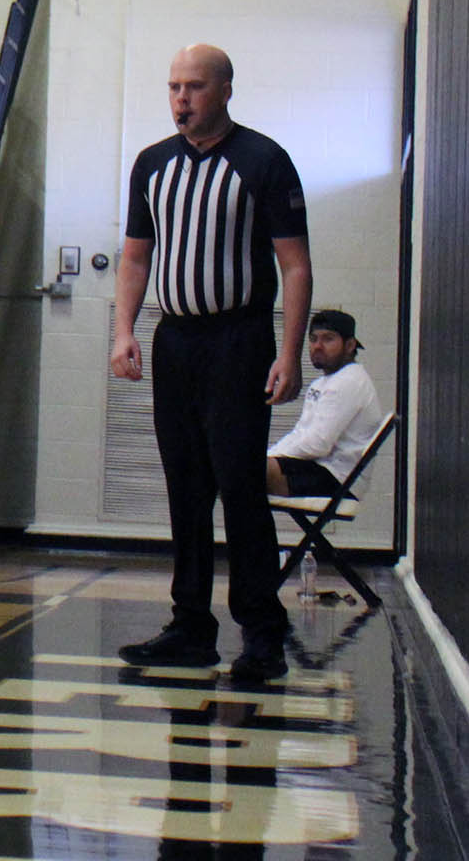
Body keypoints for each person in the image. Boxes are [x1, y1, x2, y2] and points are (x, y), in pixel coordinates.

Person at [111, 43, 312, 684]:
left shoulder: (264, 161)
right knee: (185, 487)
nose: (181, 100)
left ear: (225, 89)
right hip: (177, 341)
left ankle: (261, 632)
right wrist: (123, 332)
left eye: (194, 87)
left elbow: (295, 264)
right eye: (173, 87)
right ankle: (191, 627)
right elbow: (137, 257)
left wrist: (288, 352)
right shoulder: (152, 165)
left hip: (240, 339)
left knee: (240, 487)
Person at [267, 309, 382, 498]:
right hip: (317, 469)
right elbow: (301, 433)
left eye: (328, 339)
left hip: (338, 481)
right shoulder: (322, 383)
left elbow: (317, 444)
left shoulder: (350, 381)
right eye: (313, 339)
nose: (318, 346)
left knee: (242, 472)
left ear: (350, 345)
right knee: (235, 471)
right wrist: (271, 455)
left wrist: (269, 458)